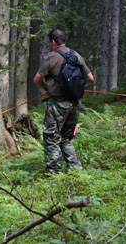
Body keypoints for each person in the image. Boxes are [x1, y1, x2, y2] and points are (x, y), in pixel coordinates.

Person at [33, 29, 94, 174]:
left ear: (53, 42)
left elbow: (36, 80)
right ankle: (75, 169)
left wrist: (46, 88)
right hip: (74, 103)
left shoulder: (51, 57)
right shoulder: (76, 55)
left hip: (57, 105)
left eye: (49, 42)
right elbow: (90, 78)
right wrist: (74, 88)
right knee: (66, 138)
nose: (49, 44)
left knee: (51, 137)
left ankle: (54, 172)